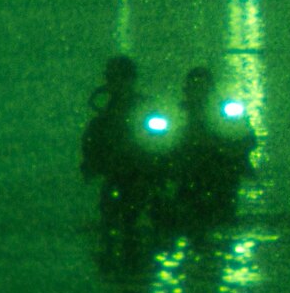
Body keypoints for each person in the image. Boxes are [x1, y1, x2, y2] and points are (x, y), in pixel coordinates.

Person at [156, 67, 257, 247]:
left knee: (220, 224)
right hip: (188, 176)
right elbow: (160, 145)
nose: (198, 91)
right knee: (189, 222)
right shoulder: (177, 114)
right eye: (194, 86)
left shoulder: (224, 112)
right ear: (186, 89)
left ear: (211, 89)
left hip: (219, 176)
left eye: (202, 86)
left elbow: (247, 139)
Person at [80, 56, 155, 269]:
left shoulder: (147, 108)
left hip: (144, 179)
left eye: (120, 78)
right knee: (111, 227)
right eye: (111, 78)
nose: (115, 84)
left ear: (131, 80)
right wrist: (92, 164)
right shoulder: (102, 119)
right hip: (115, 181)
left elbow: (165, 143)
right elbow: (90, 152)